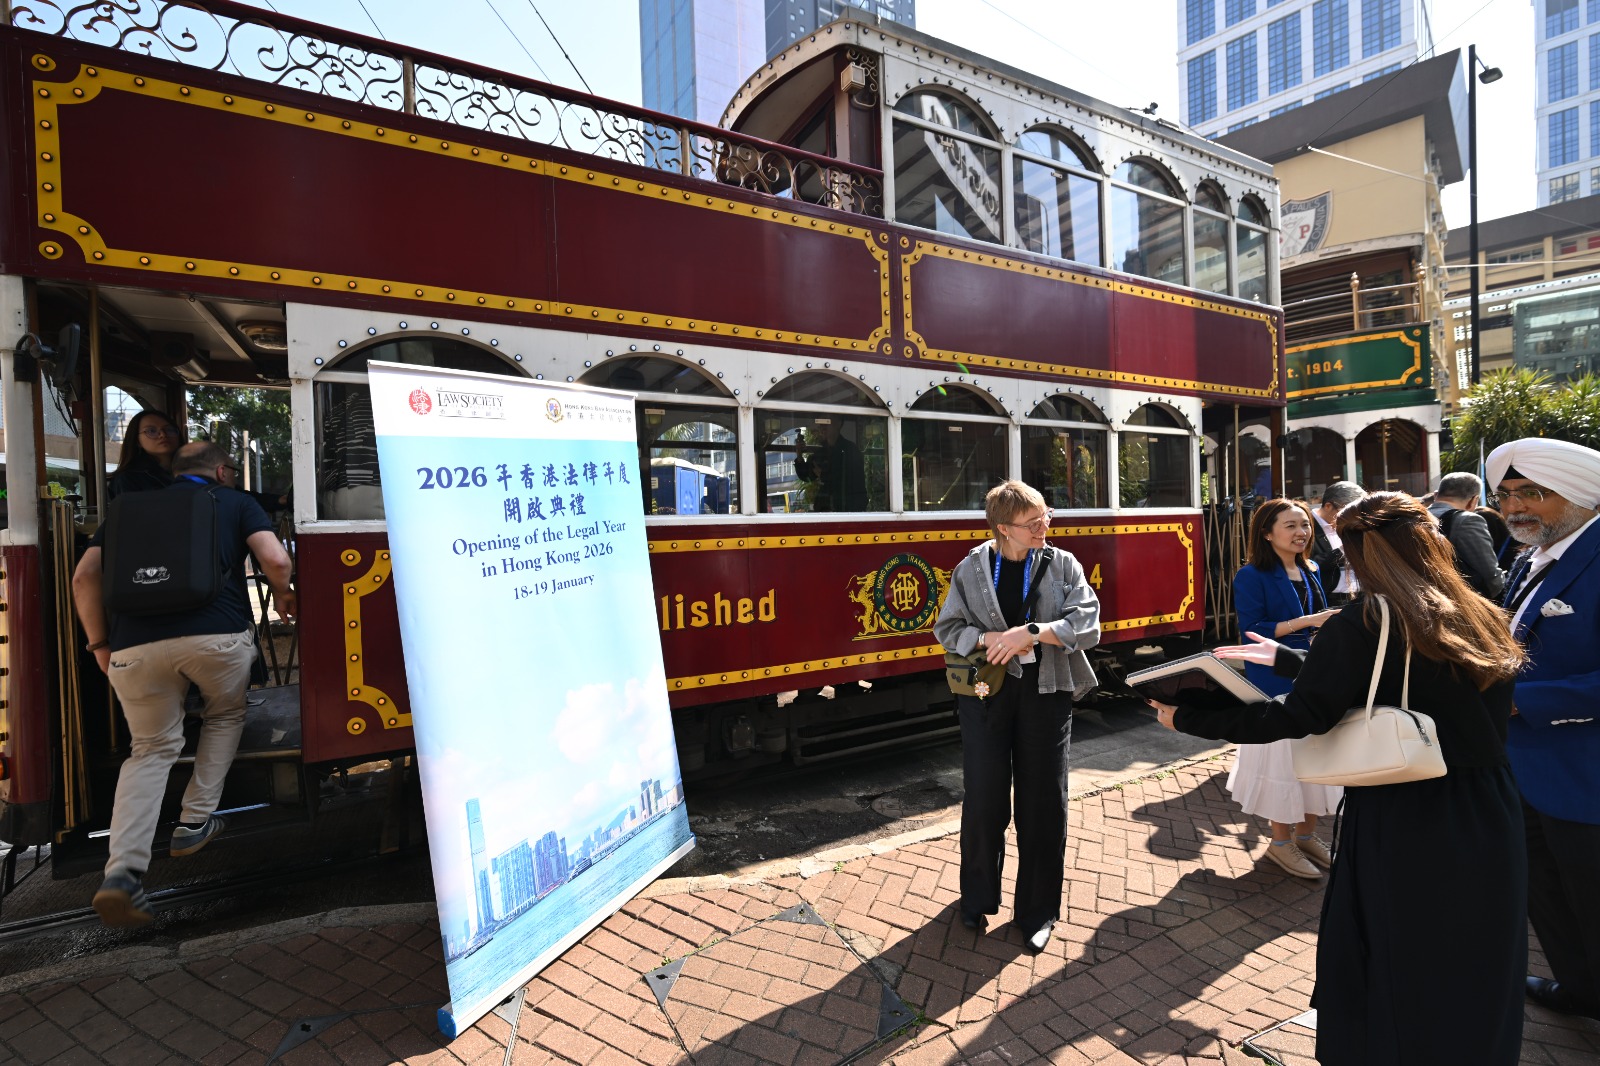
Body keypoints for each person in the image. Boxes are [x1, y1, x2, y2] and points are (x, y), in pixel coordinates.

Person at [1152, 492, 1529, 1064]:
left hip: (1407, 808)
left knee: (1401, 951)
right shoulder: (1479, 611)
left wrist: (1190, 718)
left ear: (1360, 553)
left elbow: (1300, 716)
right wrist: (1287, 660)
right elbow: (1419, 680)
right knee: (1475, 949)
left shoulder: (1365, 619)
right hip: (1488, 805)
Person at [71, 442, 297, 927]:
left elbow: (84, 577)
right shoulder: (234, 500)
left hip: (133, 647)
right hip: (216, 640)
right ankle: (194, 822)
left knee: (150, 750)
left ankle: (123, 874)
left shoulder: (124, 508)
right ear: (222, 471)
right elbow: (275, 560)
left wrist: (100, 645)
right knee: (225, 714)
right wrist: (283, 595)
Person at [932, 480, 1100, 952]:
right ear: (1003, 528)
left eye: (1046, 517)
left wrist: (1032, 632)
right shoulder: (971, 568)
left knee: (1044, 802)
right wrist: (990, 639)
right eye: (1033, 523)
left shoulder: (1063, 564)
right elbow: (948, 627)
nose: (1044, 527)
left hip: (1047, 693)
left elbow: (1087, 623)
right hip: (985, 694)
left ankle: (1038, 911)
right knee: (983, 798)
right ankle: (976, 897)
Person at [1486, 437, 1600, 1022]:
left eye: (1532, 492)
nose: (1514, 507)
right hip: (1525, 770)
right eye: (1505, 494)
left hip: (1585, 776)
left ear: (1581, 495)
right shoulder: (1531, 553)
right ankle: (1580, 989)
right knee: (1549, 895)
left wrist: (1520, 702)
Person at [1229, 499, 1341, 879]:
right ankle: (1280, 842)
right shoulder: (1251, 575)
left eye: (1305, 524)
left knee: (1314, 755)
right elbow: (1252, 631)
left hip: (1313, 671)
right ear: (1266, 533)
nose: (1301, 532)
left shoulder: (1312, 568)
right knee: (1283, 759)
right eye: (1290, 525)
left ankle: (1306, 836)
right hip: (1273, 677)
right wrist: (1310, 621)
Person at [1428, 471, 1505, 599]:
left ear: (1436, 495)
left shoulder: (1413, 516)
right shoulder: (1467, 520)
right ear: (1474, 500)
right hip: (1455, 601)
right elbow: (1490, 577)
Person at [794, 419, 867, 512]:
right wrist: (799, 455)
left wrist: (824, 476)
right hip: (824, 510)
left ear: (838, 424)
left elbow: (851, 482)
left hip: (845, 511)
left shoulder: (850, 450)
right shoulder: (821, 452)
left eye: (827, 423)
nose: (822, 427)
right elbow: (807, 475)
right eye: (821, 424)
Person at [108, 409, 182, 500]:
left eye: (169, 430)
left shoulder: (193, 470)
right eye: (151, 431)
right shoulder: (128, 478)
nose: (163, 435)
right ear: (137, 441)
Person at [1310, 481, 1363, 605]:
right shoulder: (1306, 525)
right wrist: (1342, 550)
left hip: (1359, 595)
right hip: (1328, 599)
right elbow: (1308, 563)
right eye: (1345, 511)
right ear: (1328, 506)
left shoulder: (1351, 524)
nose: (1351, 516)